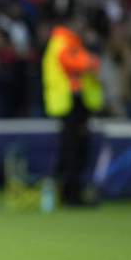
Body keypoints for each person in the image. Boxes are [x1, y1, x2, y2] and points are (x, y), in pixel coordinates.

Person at [42, 16, 103, 205]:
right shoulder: (63, 41)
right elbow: (75, 63)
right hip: (69, 104)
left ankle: (68, 193)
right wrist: (91, 62)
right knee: (72, 151)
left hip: (74, 104)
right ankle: (70, 196)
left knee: (73, 150)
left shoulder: (68, 42)